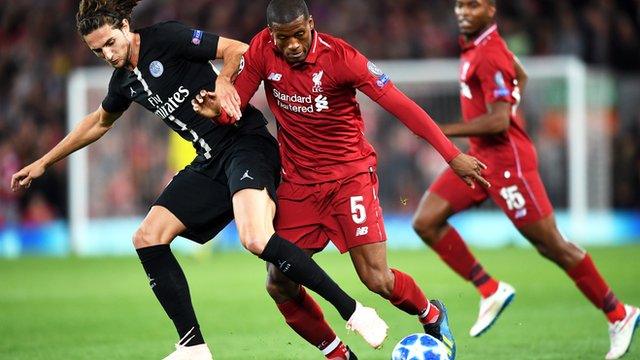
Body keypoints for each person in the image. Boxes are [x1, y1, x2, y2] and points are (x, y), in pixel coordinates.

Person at [10, 1, 389, 359]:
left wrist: (224, 81)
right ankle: (193, 346)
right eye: (98, 51)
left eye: (110, 42)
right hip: (209, 161)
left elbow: (238, 49)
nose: (108, 54)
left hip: (246, 144)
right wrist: (44, 161)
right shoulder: (123, 81)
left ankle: (353, 310)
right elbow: (98, 122)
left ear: (126, 26)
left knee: (255, 238)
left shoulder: (167, 37)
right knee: (147, 238)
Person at [192, 1, 490, 358]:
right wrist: (217, 113)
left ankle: (432, 313)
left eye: (299, 35)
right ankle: (337, 353)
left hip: (350, 179)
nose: (292, 46)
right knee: (279, 281)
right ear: (271, 35)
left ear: (312, 25)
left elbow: (402, 106)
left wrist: (452, 156)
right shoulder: (261, 49)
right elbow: (236, 105)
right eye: (283, 38)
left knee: (376, 278)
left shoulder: (342, 58)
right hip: (299, 185)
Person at [410, 1, 639, 359]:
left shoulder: (489, 53)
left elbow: (499, 121)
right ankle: (489, 289)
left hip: (508, 165)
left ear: (491, 9)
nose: (462, 11)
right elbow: (522, 76)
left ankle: (619, 313)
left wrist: (440, 131)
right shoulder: (477, 47)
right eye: (459, 4)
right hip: (481, 159)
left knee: (552, 245)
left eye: (473, 5)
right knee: (426, 221)